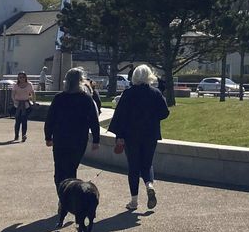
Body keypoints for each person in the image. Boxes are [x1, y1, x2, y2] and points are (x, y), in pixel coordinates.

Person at [109, 64, 170, 211]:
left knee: (133, 167)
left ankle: (134, 201)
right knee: (147, 163)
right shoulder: (155, 93)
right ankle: (149, 184)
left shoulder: (128, 93)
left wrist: (119, 136)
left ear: (134, 77)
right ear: (149, 76)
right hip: (150, 134)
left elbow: (120, 117)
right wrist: (153, 117)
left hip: (131, 136)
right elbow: (165, 112)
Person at [44, 67, 101, 190]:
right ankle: (69, 196)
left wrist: (48, 137)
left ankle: (62, 196)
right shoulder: (86, 99)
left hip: (60, 139)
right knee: (71, 169)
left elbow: (50, 119)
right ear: (81, 81)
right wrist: (96, 140)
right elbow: (93, 121)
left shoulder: (59, 98)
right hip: (78, 140)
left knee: (59, 169)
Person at [10, 71, 37, 142]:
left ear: (26, 78)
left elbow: (33, 93)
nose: (21, 79)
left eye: (23, 77)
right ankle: (16, 135)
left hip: (26, 104)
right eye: (20, 77)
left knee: (24, 120)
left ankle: (24, 135)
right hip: (17, 105)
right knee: (17, 120)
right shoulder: (15, 85)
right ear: (18, 78)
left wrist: (34, 102)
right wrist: (14, 101)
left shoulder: (29, 85)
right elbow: (12, 94)